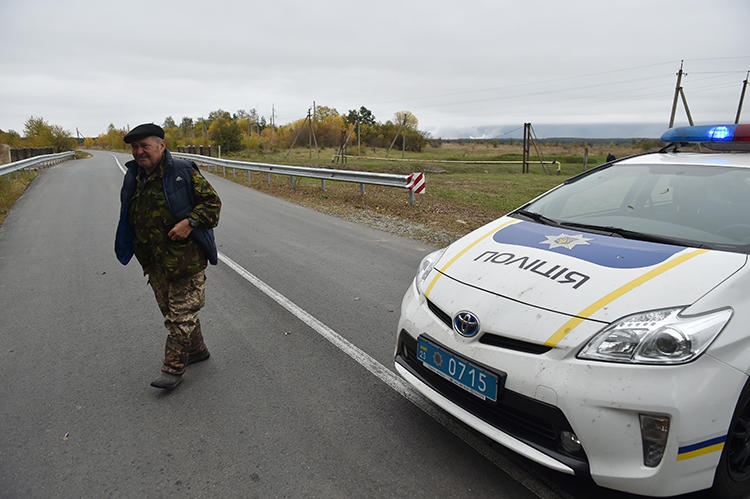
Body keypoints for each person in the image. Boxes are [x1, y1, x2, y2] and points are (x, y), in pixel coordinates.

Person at [115, 123, 221, 390]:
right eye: (135, 148)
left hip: (187, 260)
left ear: (162, 146)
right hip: (155, 262)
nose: (139, 152)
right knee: (171, 312)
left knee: (180, 317)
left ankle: (172, 368)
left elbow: (212, 205)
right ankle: (197, 349)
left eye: (145, 146)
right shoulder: (134, 177)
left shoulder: (182, 172)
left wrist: (190, 223)